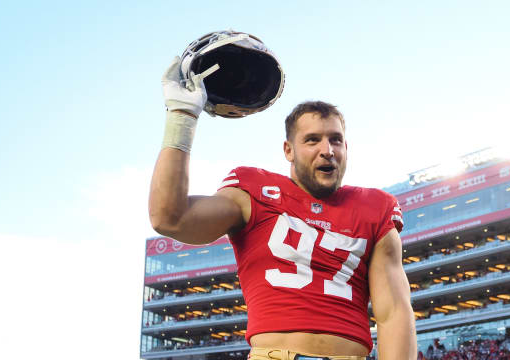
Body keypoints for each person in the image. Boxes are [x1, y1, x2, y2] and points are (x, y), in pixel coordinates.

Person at [150, 57, 417, 360]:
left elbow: (394, 313)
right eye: (312, 140)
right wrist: (182, 117)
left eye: (336, 140)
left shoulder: (376, 207)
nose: (327, 150)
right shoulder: (253, 190)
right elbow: (170, 218)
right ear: (288, 150)